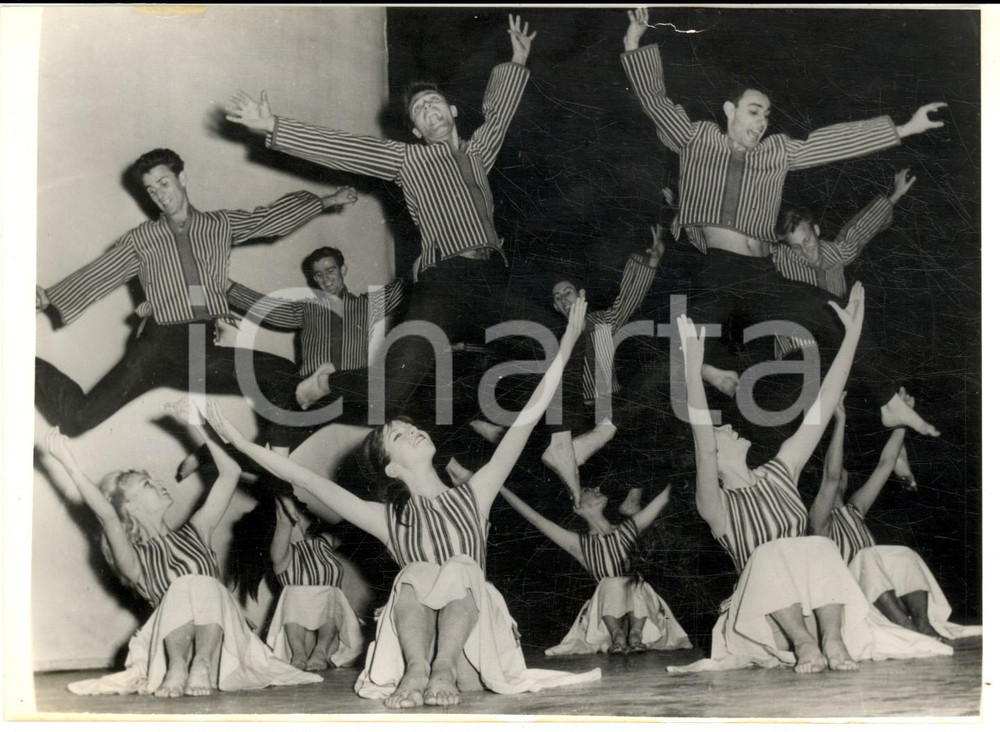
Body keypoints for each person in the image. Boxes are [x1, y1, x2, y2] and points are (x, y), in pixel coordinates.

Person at [203, 297, 600, 708]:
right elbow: (301, 477)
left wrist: (569, 340)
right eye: (398, 436)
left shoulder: (476, 492)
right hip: (418, 649)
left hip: (474, 652)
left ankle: (440, 667)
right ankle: (418, 669)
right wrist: (235, 440)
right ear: (391, 469)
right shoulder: (386, 518)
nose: (413, 433)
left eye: (409, 429)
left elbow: (530, 414)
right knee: (415, 572)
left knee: (460, 567)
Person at [620, 8, 944, 437]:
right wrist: (632, 44)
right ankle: (602, 432)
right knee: (677, 360)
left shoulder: (776, 152)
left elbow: (828, 143)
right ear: (730, 110)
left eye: (767, 116)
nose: (762, 122)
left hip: (762, 274)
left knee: (835, 315)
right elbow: (657, 104)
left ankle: (887, 403)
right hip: (718, 272)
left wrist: (903, 128)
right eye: (754, 112)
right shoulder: (696, 136)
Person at [224, 16, 555, 425]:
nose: (428, 109)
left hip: (493, 278)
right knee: (392, 388)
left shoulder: (477, 153)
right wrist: (271, 126)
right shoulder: (409, 159)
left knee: (556, 338)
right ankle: (325, 384)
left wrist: (517, 60)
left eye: (433, 102)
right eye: (419, 110)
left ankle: (560, 441)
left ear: (451, 111)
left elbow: (498, 116)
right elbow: (346, 148)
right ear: (415, 131)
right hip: (445, 282)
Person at [671, 284, 951, 674]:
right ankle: (807, 645)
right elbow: (702, 442)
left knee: (816, 545)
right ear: (715, 459)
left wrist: (851, 335)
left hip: (821, 611)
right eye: (721, 432)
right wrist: (690, 373)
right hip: (763, 625)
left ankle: (832, 641)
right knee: (772, 553)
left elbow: (821, 408)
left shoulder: (779, 470)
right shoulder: (715, 506)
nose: (729, 428)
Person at [35, 148, 353, 450]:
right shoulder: (142, 238)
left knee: (280, 374)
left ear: (182, 179)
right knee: (77, 420)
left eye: (164, 183)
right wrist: (48, 297)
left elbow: (266, 220)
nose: (160, 195)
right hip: (156, 347)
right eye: (151, 190)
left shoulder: (218, 225)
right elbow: (102, 272)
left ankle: (276, 469)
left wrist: (327, 201)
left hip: (199, 349)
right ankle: (23, 364)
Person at [41, 403, 322, 696]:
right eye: (148, 484)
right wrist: (69, 465)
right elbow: (107, 516)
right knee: (188, 585)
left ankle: (199, 664)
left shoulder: (197, 530)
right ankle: (178, 666)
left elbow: (230, 472)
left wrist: (196, 424)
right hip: (168, 651)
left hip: (222, 650)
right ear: (130, 509)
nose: (160, 483)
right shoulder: (135, 560)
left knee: (204, 584)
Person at [476, 226, 663, 508]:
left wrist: (650, 263)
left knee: (638, 416)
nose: (564, 299)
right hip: (573, 415)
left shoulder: (603, 321)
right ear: (555, 307)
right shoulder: (554, 338)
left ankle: (632, 496)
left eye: (568, 292)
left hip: (610, 405)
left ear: (581, 295)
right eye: (558, 297)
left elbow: (628, 299)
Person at [774, 168, 921, 485]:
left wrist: (894, 195)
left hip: (833, 354)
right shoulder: (782, 260)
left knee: (857, 371)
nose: (806, 252)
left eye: (808, 241)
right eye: (797, 247)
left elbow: (858, 231)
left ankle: (896, 446)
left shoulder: (834, 253)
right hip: (797, 354)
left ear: (815, 230)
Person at [809, 391, 982, 641]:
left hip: (882, 600)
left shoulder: (854, 509)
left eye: (843, 469)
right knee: (867, 556)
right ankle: (905, 626)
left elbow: (886, 463)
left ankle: (921, 623)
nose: (842, 472)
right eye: (838, 468)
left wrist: (903, 421)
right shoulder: (818, 519)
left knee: (903, 553)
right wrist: (840, 421)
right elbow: (831, 475)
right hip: (848, 604)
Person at [499, 482, 691, 656]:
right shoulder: (579, 543)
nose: (597, 489)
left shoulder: (628, 529)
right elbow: (534, 518)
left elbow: (664, 497)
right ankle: (618, 635)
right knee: (611, 582)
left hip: (647, 622)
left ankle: (635, 633)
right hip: (603, 625)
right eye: (588, 489)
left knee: (634, 580)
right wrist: (498, 484)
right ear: (578, 508)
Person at [265, 494, 365, 670]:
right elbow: (284, 522)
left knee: (331, 593)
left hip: (330, 601)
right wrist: (282, 497)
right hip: (296, 604)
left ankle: (321, 651)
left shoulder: (324, 541)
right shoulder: (283, 553)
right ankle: (299, 653)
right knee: (294, 593)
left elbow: (349, 524)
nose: (300, 519)